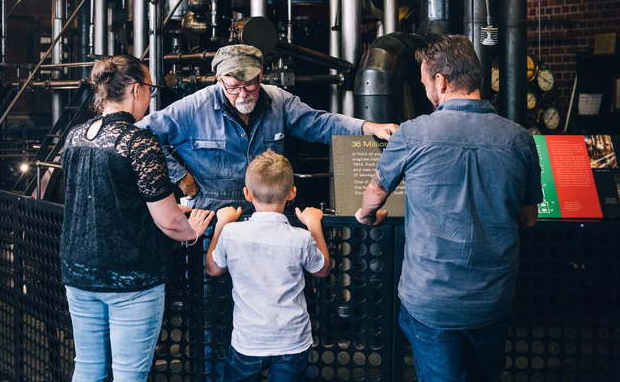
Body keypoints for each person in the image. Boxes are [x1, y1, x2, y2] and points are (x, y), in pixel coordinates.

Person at [355, 35, 542, 382]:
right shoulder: (519, 138)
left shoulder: (413, 134)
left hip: (431, 300)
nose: (426, 89)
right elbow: (528, 217)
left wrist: (365, 215)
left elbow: (374, 193)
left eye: (426, 81)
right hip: (493, 298)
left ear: (440, 81)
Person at [60, 54, 214, 382]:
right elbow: (169, 221)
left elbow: (102, 196)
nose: (149, 98)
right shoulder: (138, 141)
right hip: (130, 278)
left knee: (87, 367)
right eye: (150, 89)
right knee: (129, 375)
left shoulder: (75, 136)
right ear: (135, 89)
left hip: (78, 271)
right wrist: (192, 230)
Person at [137, 44, 397, 214]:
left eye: (250, 84)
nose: (242, 93)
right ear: (219, 80)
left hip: (268, 214)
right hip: (213, 217)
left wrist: (367, 127)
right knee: (214, 288)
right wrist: (181, 179)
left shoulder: (279, 101)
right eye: (233, 86)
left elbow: (319, 123)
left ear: (261, 73)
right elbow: (140, 136)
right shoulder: (193, 108)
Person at [205, 150, 330, 382]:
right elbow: (322, 269)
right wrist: (314, 225)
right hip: (292, 341)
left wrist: (221, 224)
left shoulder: (232, 233)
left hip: (248, 341)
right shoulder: (300, 237)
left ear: (247, 193)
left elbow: (213, 268)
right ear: (292, 193)